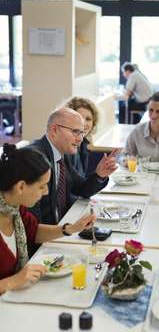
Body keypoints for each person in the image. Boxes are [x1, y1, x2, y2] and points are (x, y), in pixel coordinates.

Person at [0, 144, 96, 294]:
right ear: (20, 187)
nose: (46, 192)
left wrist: (70, 228)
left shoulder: (14, 208)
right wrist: (11, 281)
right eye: (42, 186)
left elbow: (34, 231)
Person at [29, 107, 117, 224]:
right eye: (75, 132)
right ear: (54, 129)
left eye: (81, 133)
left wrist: (99, 175)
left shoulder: (60, 154)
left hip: (62, 227)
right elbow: (32, 222)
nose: (80, 139)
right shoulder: (35, 158)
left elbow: (80, 188)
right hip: (46, 236)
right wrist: (63, 233)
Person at [65, 97, 104, 176]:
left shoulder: (83, 145)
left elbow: (81, 184)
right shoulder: (66, 147)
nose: (83, 123)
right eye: (79, 118)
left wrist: (100, 175)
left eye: (88, 119)